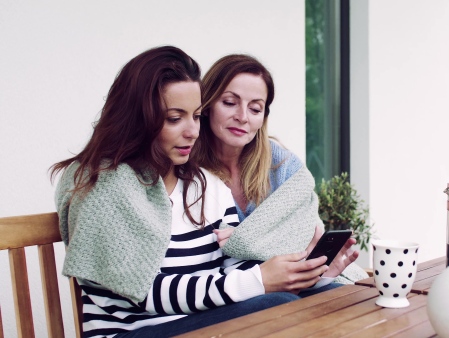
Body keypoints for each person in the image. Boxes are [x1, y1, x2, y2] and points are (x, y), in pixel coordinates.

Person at [50, 46, 350, 338]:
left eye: (195, 115)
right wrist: (258, 280)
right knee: (278, 307)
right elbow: (141, 293)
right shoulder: (104, 186)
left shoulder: (205, 185)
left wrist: (303, 275)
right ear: (138, 118)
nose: (192, 130)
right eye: (174, 118)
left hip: (203, 323)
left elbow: (237, 266)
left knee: (329, 301)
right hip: (134, 331)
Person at [197, 54, 368, 284]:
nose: (242, 117)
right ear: (207, 106)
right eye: (229, 103)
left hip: (301, 285)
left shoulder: (282, 166)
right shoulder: (189, 172)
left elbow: (307, 234)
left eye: (255, 109)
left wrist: (321, 271)